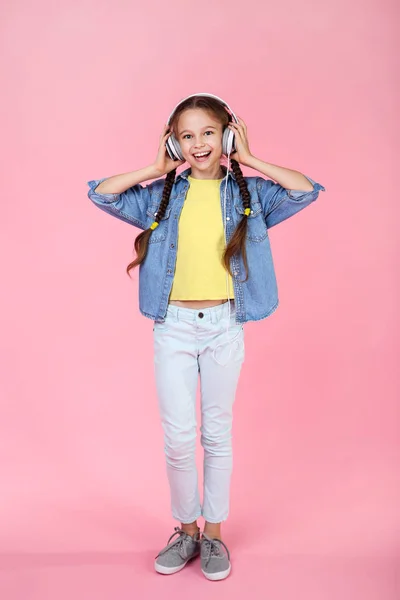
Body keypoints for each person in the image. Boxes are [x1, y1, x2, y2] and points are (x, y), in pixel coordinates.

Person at [87, 93, 325, 581]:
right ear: (174, 143)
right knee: (178, 438)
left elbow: (305, 191)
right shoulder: (163, 195)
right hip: (172, 326)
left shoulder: (250, 195)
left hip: (223, 328)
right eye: (187, 136)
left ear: (228, 135)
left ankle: (214, 535)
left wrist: (250, 157)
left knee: (216, 434)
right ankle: (186, 530)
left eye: (209, 133)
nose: (199, 144)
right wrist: (155, 167)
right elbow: (102, 193)